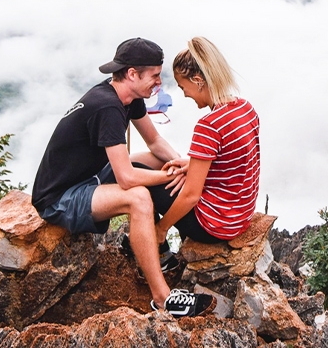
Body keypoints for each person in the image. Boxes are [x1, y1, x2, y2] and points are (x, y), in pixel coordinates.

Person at [31, 37, 215, 318]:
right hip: (60, 198)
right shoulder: (107, 107)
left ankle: (152, 251)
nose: (159, 83)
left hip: (91, 177)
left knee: (152, 159)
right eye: (154, 76)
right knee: (139, 197)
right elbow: (128, 179)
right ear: (132, 74)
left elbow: (154, 143)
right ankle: (162, 298)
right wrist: (170, 178)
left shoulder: (127, 98)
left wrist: (183, 165)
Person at [151, 36, 260, 250]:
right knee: (173, 174)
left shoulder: (209, 125)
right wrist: (192, 165)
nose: (184, 94)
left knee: (141, 176)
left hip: (213, 226)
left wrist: (161, 228)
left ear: (198, 80)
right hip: (239, 218)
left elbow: (191, 196)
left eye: (184, 87)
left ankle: (160, 254)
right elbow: (234, 160)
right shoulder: (245, 108)